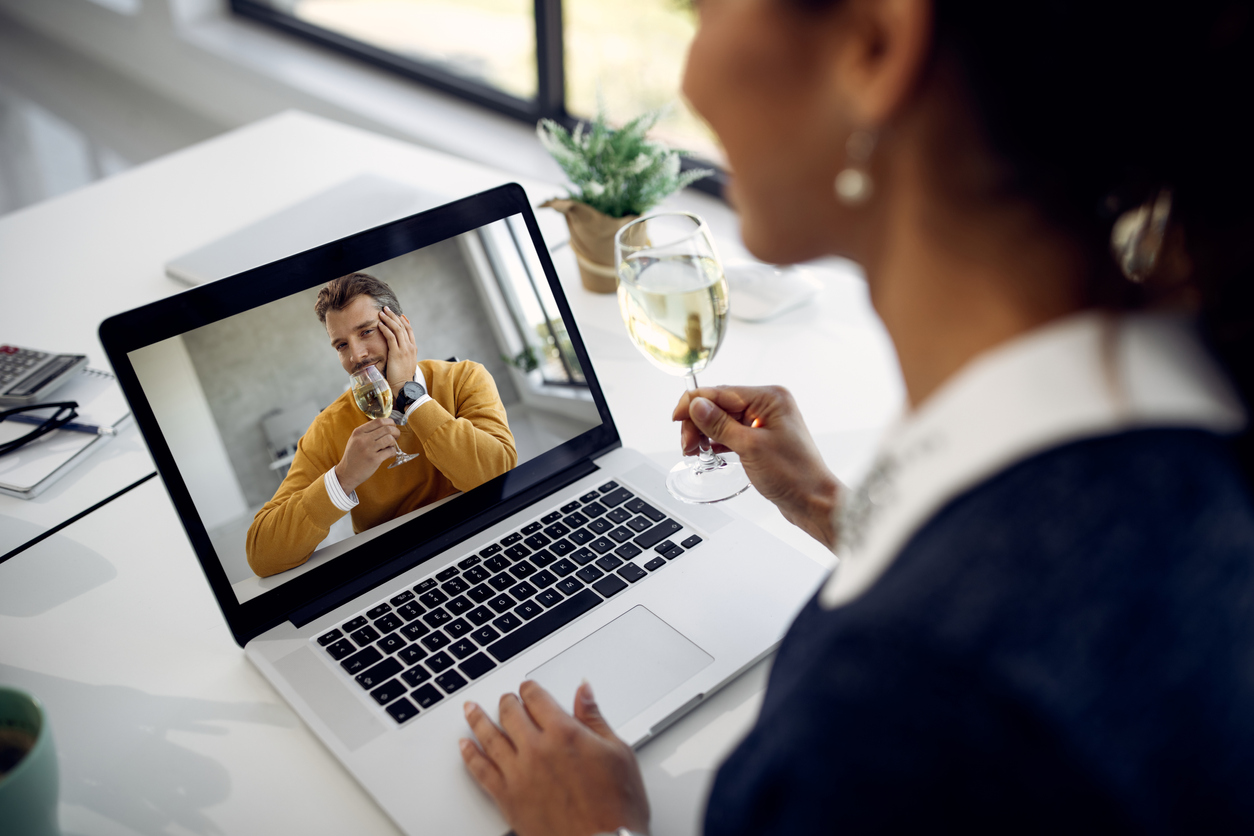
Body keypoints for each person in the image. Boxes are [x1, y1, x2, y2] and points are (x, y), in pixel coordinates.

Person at [454, 0, 1254, 832]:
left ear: (875, 46)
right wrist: (836, 512)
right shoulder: (1199, 415)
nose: (689, 77)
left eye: (710, 10)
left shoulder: (896, 703)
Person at [246, 273, 517, 577]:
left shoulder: (465, 378)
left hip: (483, 537)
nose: (356, 356)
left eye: (366, 332)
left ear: (401, 328)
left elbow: (500, 475)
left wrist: (409, 396)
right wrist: (343, 477)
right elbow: (262, 555)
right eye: (341, 345)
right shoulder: (327, 428)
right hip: (397, 571)